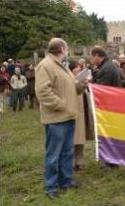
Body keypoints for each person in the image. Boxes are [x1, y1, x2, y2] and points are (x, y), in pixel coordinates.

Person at [35, 38, 88, 199]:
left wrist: (81, 85)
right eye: (66, 48)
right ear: (62, 49)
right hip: (56, 118)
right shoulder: (45, 65)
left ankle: (66, 181)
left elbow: (70, 87)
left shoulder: (62, 66)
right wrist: (62, 105)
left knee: (67, 153)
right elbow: (43, 92)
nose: (67, 51)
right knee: (53, 154)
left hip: (68, 116)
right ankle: (50, 187)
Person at [69, 60, 87, 171]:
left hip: (81, 111)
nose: (79, 69)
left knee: (80, 138)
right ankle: (71, 162)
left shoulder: (80, 79)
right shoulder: (68, 79)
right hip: (72, 111)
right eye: (77, 68)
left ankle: (79, 161)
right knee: (72, 139)